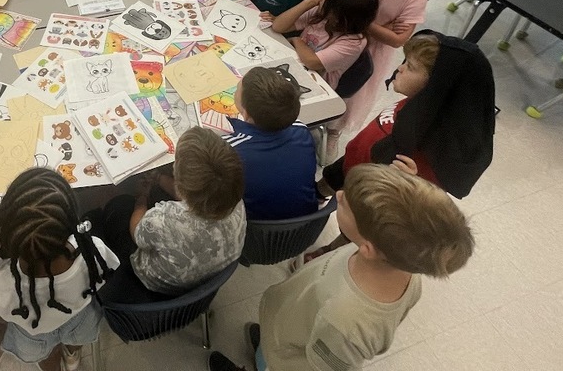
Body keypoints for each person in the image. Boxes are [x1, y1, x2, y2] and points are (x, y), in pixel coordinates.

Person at [207, 164, 474, 371]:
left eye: (347, 204)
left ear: (368, 247)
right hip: (290, 327)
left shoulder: (345, 322)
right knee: (271, 346)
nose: (339, 194)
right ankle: (265, 346)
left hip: (289, 360)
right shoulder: (394, 262)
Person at [322, 31, 496, 200]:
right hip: (351, 163)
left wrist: (411, 189)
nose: (400, 68)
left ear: (438, 86)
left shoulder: (434, 150)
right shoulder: (416, 104)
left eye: (411, 67)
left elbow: (416, 207)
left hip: (365, 194)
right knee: (319, 190)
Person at [0, 168, 119, 371]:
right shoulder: (92, 250)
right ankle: (72, 355)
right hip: (80, 320)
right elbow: (106, 274)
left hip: (34, 334)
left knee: (46, 359)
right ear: (70, 219)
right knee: (76, 339)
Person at [96, 127, 246, 296]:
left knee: (119, 205)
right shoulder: (236, 201)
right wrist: (159, 178)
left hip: (159, 285)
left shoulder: (161, 220)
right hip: (212, 273)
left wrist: (141, 198)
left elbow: (137, 232)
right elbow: (189, 196)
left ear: (180, 183)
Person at [338, 0, 429, 136]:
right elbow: (343, 12)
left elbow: (398, 40)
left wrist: (364, 22)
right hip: (342, 39)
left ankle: (334, 131)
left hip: (373, 55)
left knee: (352, 94)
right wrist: (384, 27)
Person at [224, 67, 318, 220]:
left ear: (246, 113)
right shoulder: (302, 130)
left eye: (237, 89)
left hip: (255, 231)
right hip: (307, 226)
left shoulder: (230, 152)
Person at [271, 0, 379, 90]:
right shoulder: (322, 15)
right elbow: (278, 26)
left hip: (317, 83)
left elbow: (312, 62)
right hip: (296, 61)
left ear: (339, 15)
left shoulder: (354, 42)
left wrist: (297, 40)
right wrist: (308, 2)